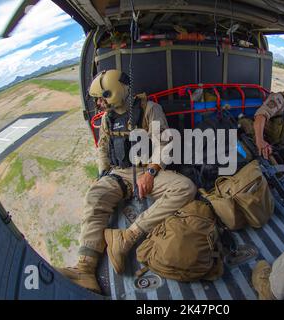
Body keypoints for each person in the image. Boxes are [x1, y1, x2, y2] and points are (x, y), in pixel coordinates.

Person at [57, 70, 196, 293]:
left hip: (148, 170)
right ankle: (85, 269)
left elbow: (165, 144)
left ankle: (127, 237)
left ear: (114, 93)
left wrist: (150, 172)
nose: (99, 104)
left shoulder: (150, 109)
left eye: (102, 98)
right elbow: (103, 147)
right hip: (119, 174)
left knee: (185, 188)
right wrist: (103, 174)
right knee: (94, 197)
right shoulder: (106, 119)